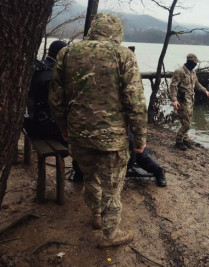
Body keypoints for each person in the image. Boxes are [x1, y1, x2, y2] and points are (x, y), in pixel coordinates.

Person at [49, 13, 147, 248]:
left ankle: (95, 216)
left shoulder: (67, 53)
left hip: (79, 135)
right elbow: (135, 101)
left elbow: (56, 98)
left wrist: (64, 128)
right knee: (113, 188)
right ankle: (110, 235)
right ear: (116, 32)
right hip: (111, 140)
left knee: (90, 177)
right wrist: (140, 136)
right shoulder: (124, 55)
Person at [24, 40, 84, 182]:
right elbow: (60, 106)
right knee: (81, 140)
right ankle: (80, 176)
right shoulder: (53, 76)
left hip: (29, 123)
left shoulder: (38, 67)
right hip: (42, 128)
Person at [169, 53, 209, 150]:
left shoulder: (192, 72)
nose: (196, 64)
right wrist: (174, 100)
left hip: (191, 99)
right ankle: (178, 141)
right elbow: (173, 86)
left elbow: (196, 83)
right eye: (195, 62)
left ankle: (185, 139)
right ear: (190, 62)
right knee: (187, 124)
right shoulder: (179, 71)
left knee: (187, 120)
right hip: (183, 100)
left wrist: (205, 91)